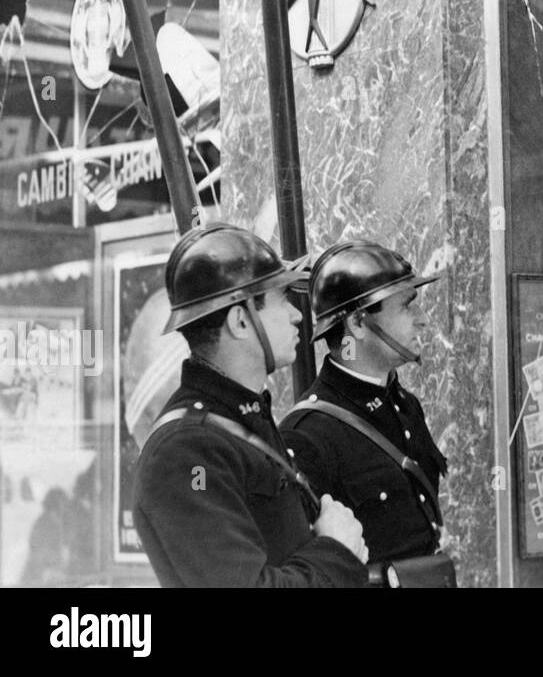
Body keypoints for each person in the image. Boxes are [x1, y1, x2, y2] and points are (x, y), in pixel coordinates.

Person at [132, 223, 368, 587]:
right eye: (280, 300)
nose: (297, 315)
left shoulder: (239, 418)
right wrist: (337, 551)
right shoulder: (185, 451)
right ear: (241, 320)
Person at [282, 240, 451, 587]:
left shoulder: (406, 406)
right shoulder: (307, 434)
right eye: (407, 307)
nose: (423, 320)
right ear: (358, 324)